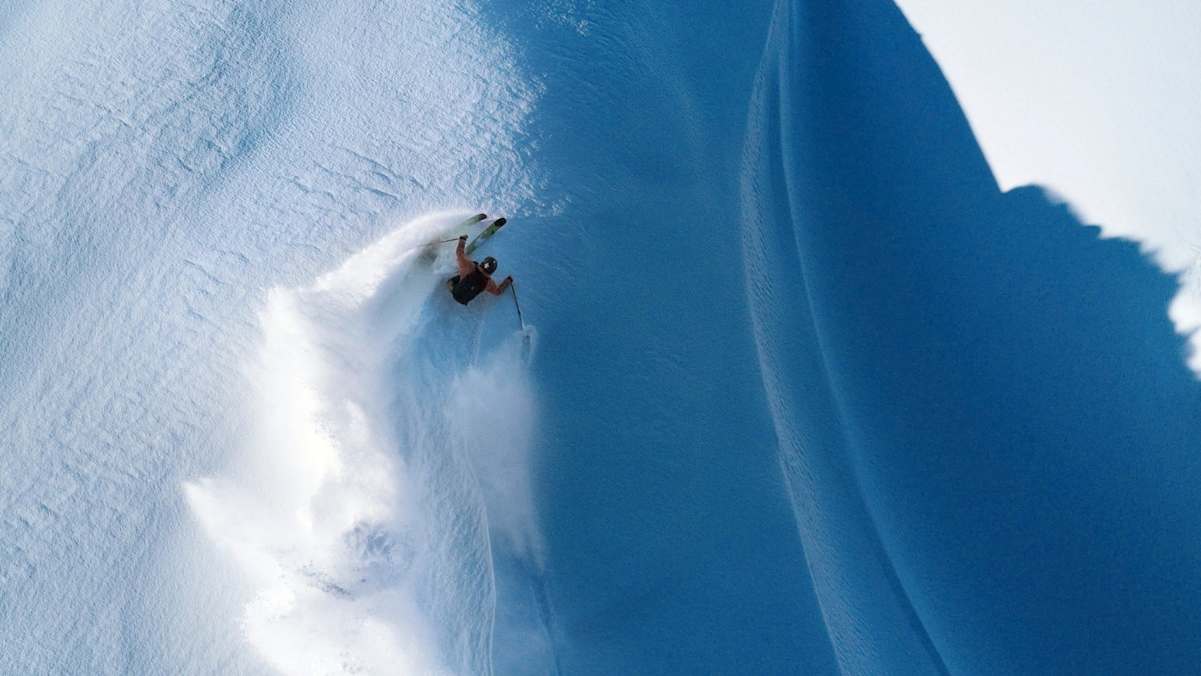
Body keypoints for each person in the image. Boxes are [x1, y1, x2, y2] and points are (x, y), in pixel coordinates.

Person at [447, 234, 512, 305]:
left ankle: (453, 284)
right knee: (466, 272)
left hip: (455, 291)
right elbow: (497, 292)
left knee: (454, 279)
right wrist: (508, 281)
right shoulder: (489, 283)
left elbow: (459, 253)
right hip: (464, 301)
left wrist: (462, 240)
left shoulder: (469, 266)